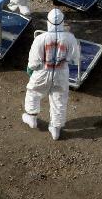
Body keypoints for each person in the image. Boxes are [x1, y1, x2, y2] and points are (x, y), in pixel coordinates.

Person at [21, 9, 80, 140]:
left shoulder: (40, 39)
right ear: (62, 22)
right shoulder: (70, 38)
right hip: (61, 72)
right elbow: (75, 59)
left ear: (48, 22)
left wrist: (31, 69)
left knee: (34, 92)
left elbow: (34, 61)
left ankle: (31, 117)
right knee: (59, 99)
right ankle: (55, 128)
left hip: (43, 71)